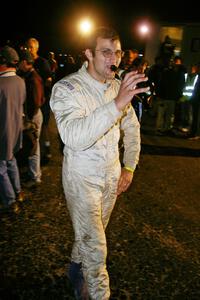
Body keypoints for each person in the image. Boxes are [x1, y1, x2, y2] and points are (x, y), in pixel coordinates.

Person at [50, 26, 149, 299]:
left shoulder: (117, 87)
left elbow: (132, 130)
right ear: (88, 54)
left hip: (111, 177)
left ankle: (75, 271)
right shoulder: (67, 88)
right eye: (105, 52)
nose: (113, 58)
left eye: (117, 52)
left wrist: (129, 166)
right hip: (82, 180)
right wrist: (116, 104)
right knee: (96, 248)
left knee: (92, 233)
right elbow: (73, 136)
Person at [0, 46, 26, 213]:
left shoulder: (1, 83)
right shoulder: (20, 81)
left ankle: (10, 201)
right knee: (11, 161)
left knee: (1, 168)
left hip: (2, 131)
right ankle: (18, 192)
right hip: (16, 129)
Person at [18, 49, 44, 187]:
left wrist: (28, 120)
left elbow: (36, 102)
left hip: (33, 116)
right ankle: (33, 173)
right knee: (33, 145)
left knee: (33, 145)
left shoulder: (33, 78)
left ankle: (35, 176)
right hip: (33, 115)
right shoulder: (30, 76)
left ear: (24, 62)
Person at [26, 38, 52, 162]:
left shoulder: (42, 62)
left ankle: (46, 151)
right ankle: (33, 152)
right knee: (33, 130)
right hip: (31, 101)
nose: (29, 49)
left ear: (36, 48)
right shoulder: (26, 63)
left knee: (44, 126)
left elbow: (48, 80)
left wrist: (43, 96)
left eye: (31, 47)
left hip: (42, 101)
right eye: (28, 47)